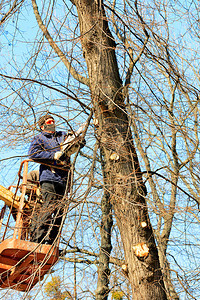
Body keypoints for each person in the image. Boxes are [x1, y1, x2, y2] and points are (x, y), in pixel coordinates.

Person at [28, 113, 71, 245]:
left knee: (60, 212)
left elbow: (74, 141)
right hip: (49, 177)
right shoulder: (40, 138)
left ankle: (52, 241)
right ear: (42, 126)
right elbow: (33, 153)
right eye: (48, 122)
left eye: (53, 121)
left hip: (63, 179)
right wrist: (53, 156)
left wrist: (77, 141)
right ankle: (37, 241)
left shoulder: (62, 135)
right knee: (49, 207)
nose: (52, 124)